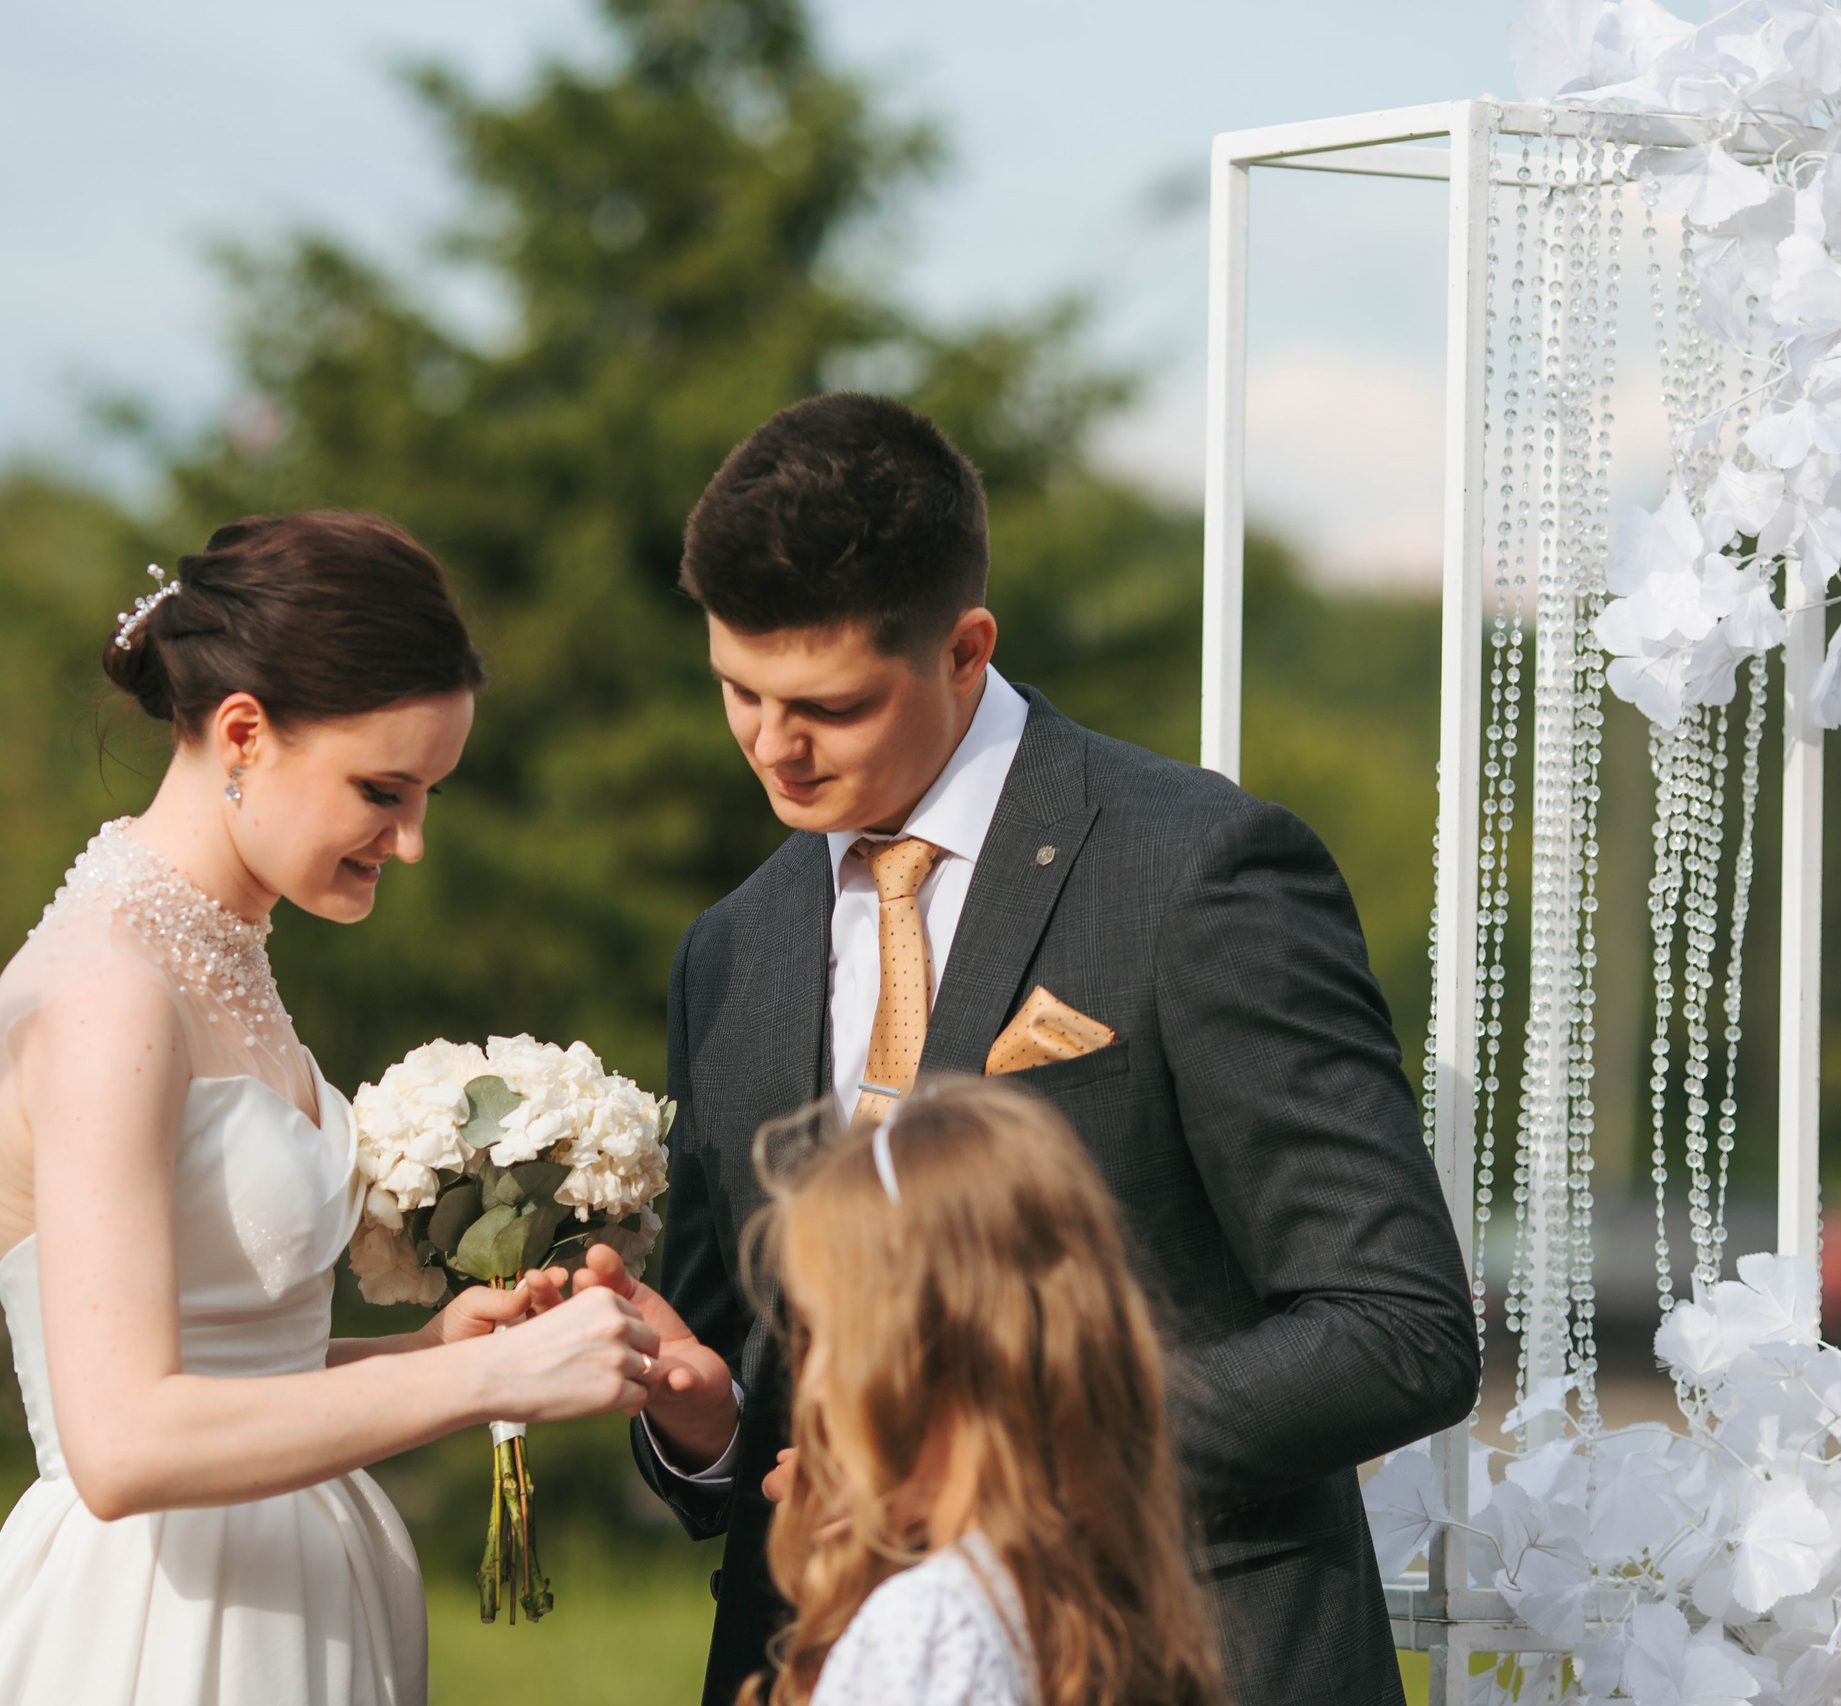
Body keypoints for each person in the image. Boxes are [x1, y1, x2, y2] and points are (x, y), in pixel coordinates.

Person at [620, 394, 1481, 1706]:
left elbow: (1396, 1326)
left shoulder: (1200, 872)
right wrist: (700, 1422)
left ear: (967, 649)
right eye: (737, 689)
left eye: (830, 705)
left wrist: (992, 1469)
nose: (772, 747)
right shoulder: (729, 948)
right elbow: (759, 1388)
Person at [0, 512, 662, 1706]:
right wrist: (488, 1385)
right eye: (383, 790)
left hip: (297, 1581)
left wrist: (418, 1354)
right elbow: (125, 1442)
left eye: (427, 796)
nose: (408, 844)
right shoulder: (109, 994)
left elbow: (230, 1361)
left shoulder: (217, 949)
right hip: (157, 1625)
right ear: (243, 731)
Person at [740, 1078, 1229, 1706]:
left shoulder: (932, 1626)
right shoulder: (1071, 1591)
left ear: (930, 1349)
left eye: (829, 1335)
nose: (808, 1380)